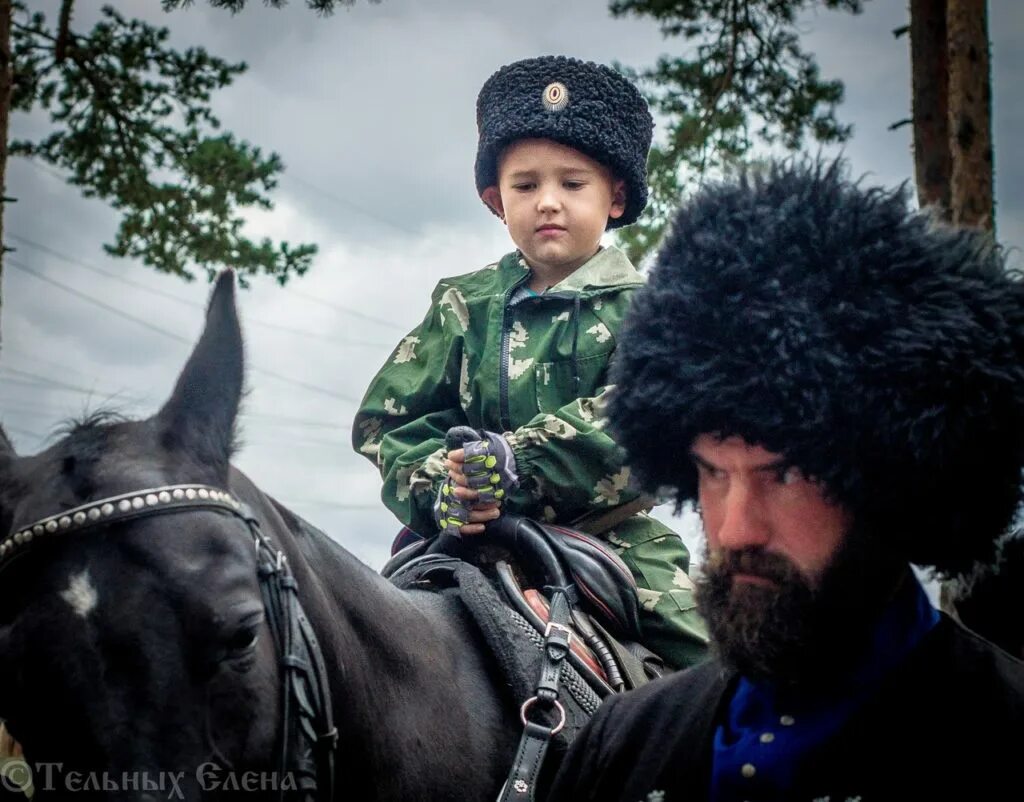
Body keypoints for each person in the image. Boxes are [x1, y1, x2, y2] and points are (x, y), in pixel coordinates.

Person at [545, 159, 1024, 801]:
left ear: (894, 476)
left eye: (787, 475)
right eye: (713, 473)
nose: (735, 528)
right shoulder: (622, 743)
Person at [353, 56, 708, 669]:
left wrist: (518, 463)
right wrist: (452, 484)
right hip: (462, 533)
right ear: (496, 199)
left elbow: (642, 416)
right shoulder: (462, 305)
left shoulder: (653, 312)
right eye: (525, 185)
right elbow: (389, 422)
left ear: (615, 197)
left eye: (573, 184)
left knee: (717, 669)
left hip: (612, 540)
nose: (547, 202)